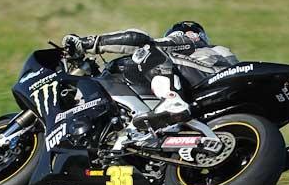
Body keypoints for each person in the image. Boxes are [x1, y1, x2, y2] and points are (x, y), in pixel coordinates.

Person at [62, 21, 238, 131]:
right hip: (207, 99)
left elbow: (139, 40)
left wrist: (87, 44)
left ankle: (171, 100)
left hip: (205, 80)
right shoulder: (215, 53)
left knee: (146, 50)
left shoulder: (188, 42)